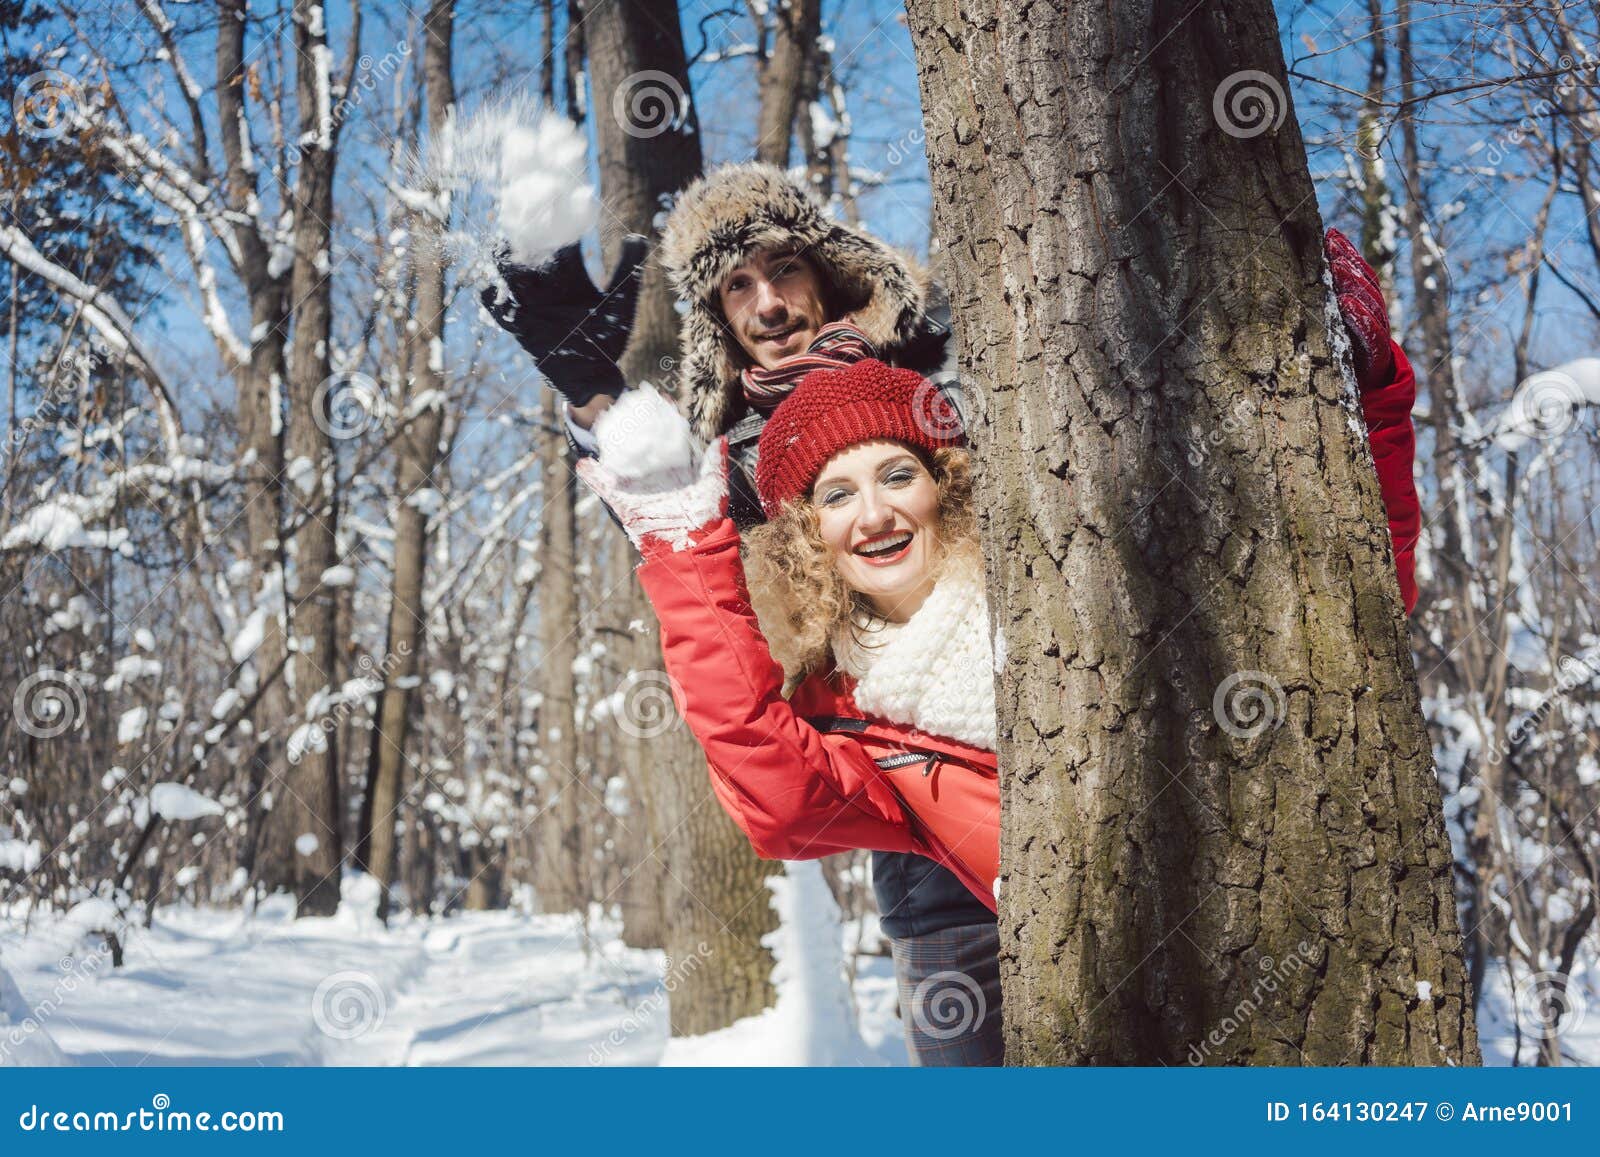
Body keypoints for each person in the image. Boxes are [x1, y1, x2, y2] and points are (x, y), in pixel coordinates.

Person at [483, 164, 1423, 1063]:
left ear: (828, 268)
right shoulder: (726, 457)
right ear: (716, 320)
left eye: (783, 269)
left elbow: (1284, 579)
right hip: (925, 830)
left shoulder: (960, 365)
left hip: (1099, 771)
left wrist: (1356, 391)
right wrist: (591, 389)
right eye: (736, 286)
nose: (768, 304)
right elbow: (684, 550)